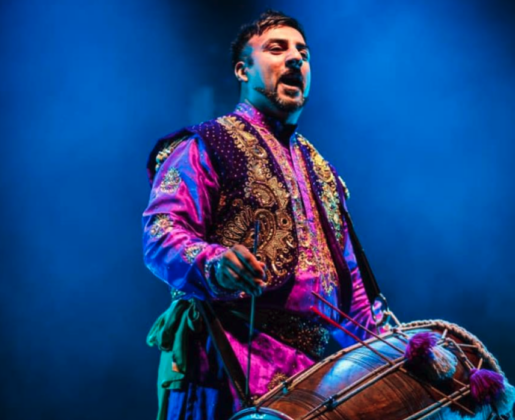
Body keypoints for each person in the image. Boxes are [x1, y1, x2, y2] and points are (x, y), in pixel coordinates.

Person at [142, 10, 379, 420]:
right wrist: (214, 263)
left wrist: (391, 350)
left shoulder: (322, 171)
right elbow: (161, 232)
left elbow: (352, 286)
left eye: (302, 52)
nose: (294, 59)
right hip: (225, 357)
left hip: (313, 378)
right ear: (242, 69)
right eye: (276, 48)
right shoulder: (206, 145)